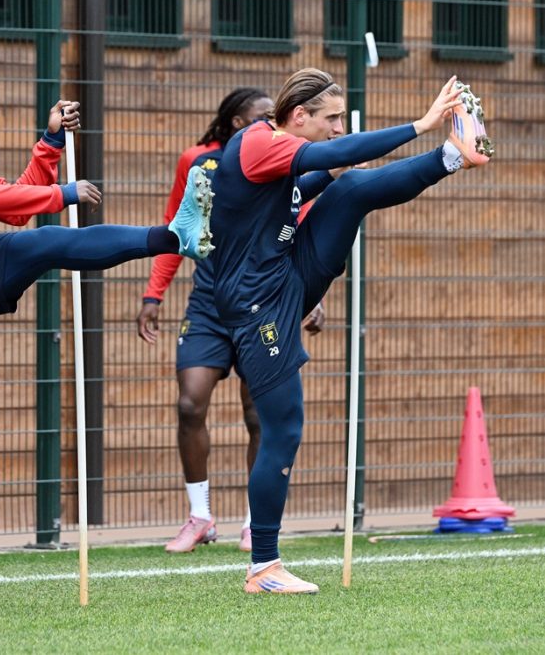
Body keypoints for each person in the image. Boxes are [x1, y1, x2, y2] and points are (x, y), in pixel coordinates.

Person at [0, 52, 212, 611]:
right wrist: (63, 194)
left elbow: (13, 207)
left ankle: (174, 237)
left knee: (39, 242)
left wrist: (48, 146)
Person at [208, 69, 491, 593]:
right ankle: (262, 567)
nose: (339, 128)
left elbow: (310, 181)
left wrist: (338, 169)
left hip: (287, 273)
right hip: (256, 303)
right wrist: (422, 123)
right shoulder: (258, 143)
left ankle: (454, 157)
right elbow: (330, 155)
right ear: (299, 117)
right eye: (332, 119)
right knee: (283, 429)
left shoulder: (281, 149)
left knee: (353, 186)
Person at [136, 88, 325, 554]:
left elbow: (300, 230)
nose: (272, 123)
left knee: (258, 414)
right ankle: (199, 517)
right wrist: (153, 293)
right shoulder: (198, 162)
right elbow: (178, 224)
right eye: (263, 116)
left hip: (264, 303)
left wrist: (311, 295)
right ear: (238, 123)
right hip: (209, 302)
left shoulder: (286, 161)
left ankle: (254, 523)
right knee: (189, 404)